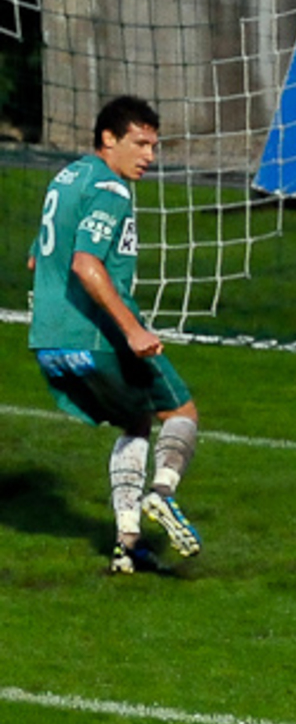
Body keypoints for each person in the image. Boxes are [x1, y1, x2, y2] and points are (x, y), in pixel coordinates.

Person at [27, 95, 203, 573]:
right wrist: (132, 330)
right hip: (97, 336)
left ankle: (128, 545)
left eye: (154, 146)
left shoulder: (66, 179)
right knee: (181, 412)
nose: (149, 156)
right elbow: (86, 263)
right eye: (140, 143)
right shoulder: (111, 189)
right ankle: (162, 492)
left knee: (136, 420)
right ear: (109, 138)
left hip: (49, 340)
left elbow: (36, 258)